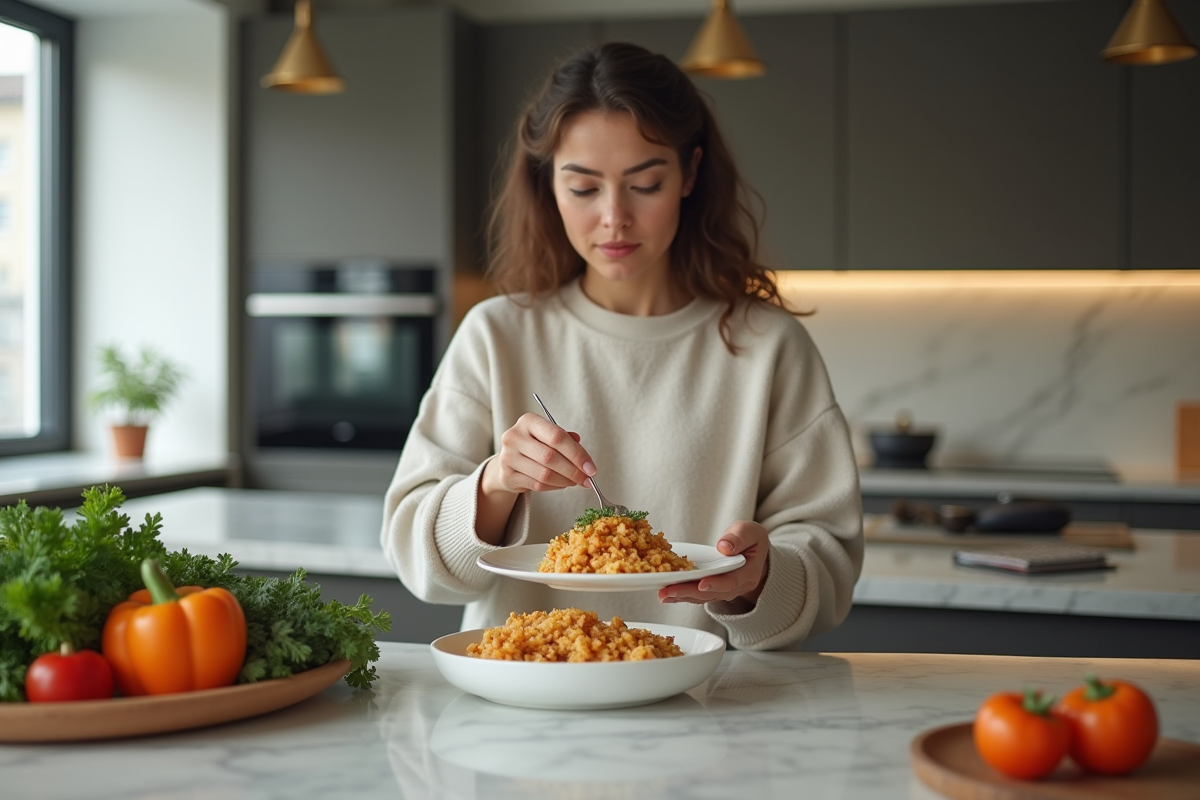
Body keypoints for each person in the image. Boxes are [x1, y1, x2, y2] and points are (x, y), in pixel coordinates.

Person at [381, 41, 862, 650]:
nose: (614, 218)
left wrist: (757, 578)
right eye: (583, 189)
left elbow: (829, 565)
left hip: (711, 707)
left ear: (689, 173)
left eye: (646, 184)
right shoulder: (495, 334)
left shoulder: (770, 348)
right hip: (524, 706)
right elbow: (416, 559)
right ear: (547, 186)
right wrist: (495, 486)